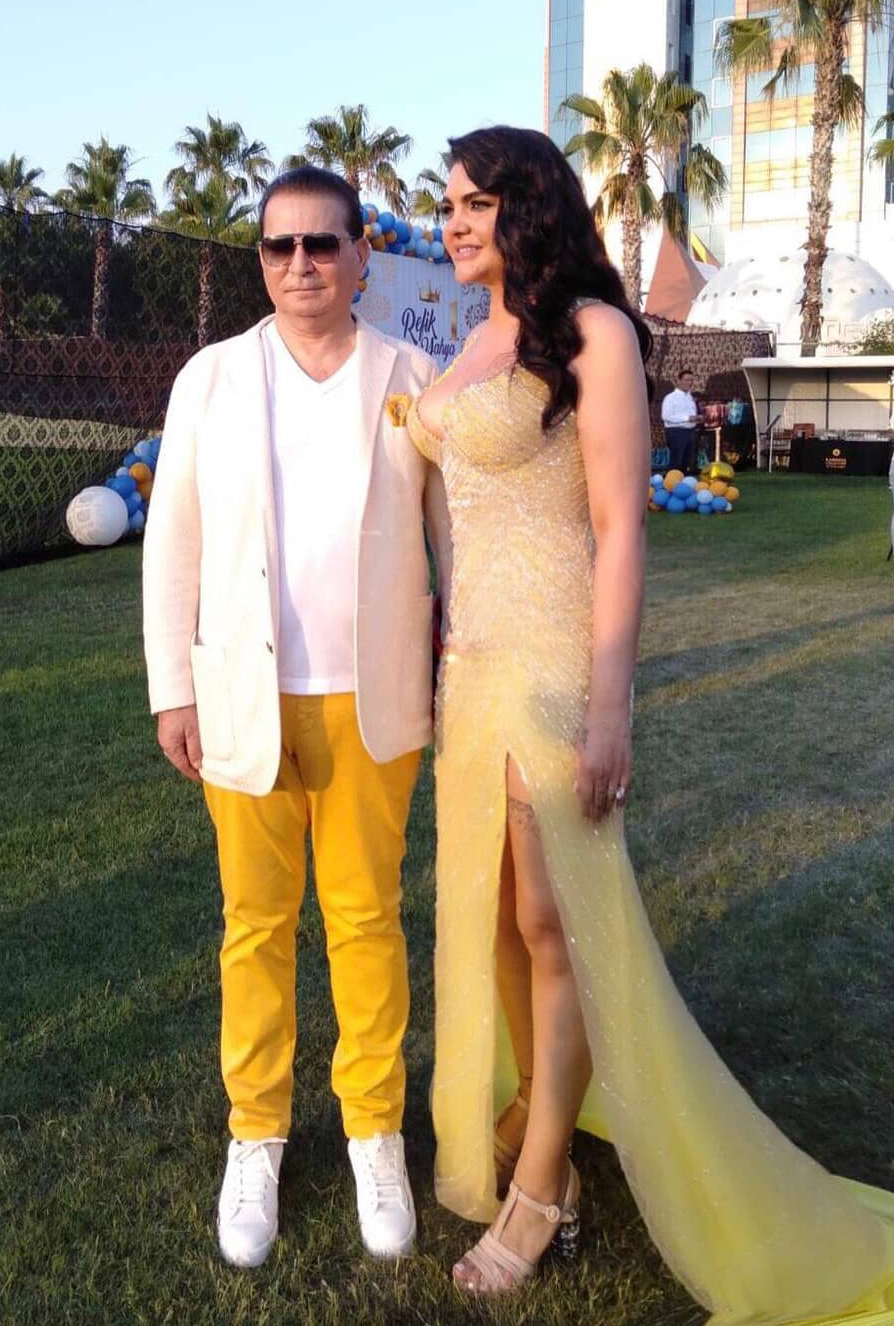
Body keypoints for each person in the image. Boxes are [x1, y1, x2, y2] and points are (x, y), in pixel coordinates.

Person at [405, 126, 894, 1320]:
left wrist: (613, 705)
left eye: (475, 205)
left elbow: (623, 525)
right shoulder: (472, 339)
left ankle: (541, 1188)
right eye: (449, 205)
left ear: (529, 207)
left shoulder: (595, 333)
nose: (454, 223)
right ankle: (543, 1127)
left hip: (554, 667)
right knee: (499, 922)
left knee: (555, 923)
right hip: (469, 670)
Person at [142, 166, 450, 1269]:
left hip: (375, 700)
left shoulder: (413, 375)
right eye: (281, 246)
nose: (302, 263)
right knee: (255, 927)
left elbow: (451, 538)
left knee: (367, 922)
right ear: (261, 260)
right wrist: (172, 686)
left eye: (323, 243)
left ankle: (375, 1130)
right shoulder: (212, 378)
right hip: (244, 696)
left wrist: (457, 664)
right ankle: (256, 1135)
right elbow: (172, 539)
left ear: (363, 255)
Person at [661, 367, 701, 473]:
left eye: (691, 380)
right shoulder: (670, 398)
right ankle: (671, 480)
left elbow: (691, 415)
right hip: (676, 432)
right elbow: (666, 416)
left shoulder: (690, 397)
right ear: (679, 381)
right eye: (686, 380)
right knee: (676, 462)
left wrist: (697, 419)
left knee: (686, 462)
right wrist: (688, 418)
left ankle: (683, 480)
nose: (689, 383)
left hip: (690, 432)